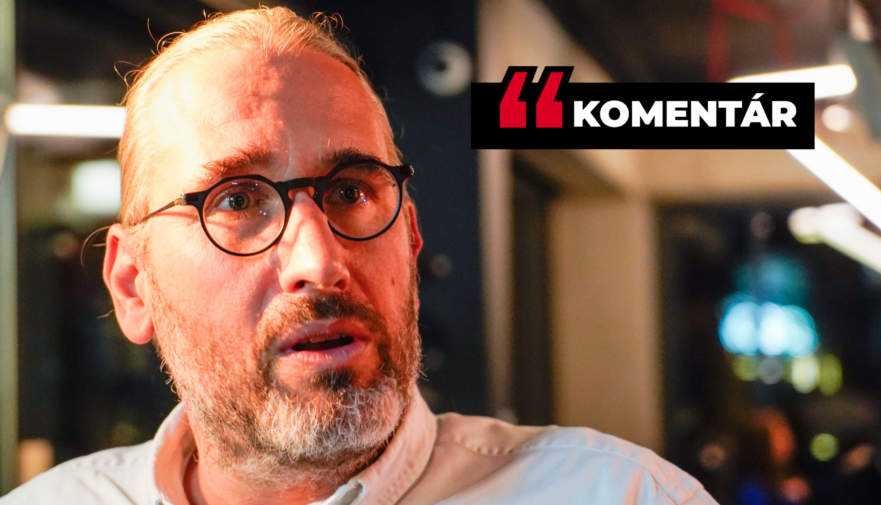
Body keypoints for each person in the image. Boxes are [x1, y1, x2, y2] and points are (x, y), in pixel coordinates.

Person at [2, 7, 718, 505]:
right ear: (134, 286)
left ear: (411, 240)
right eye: (237, 201)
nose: (318, 260)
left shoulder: (623, 495)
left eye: (350, 191)